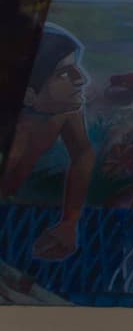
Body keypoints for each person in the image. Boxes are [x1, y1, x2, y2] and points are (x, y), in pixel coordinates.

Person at [1, 23, 96, 261]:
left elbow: (83, 153)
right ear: (28, 94)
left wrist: (70, 221)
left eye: (76, 67)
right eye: (65, 73)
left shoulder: (64, 112)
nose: (82, 79)